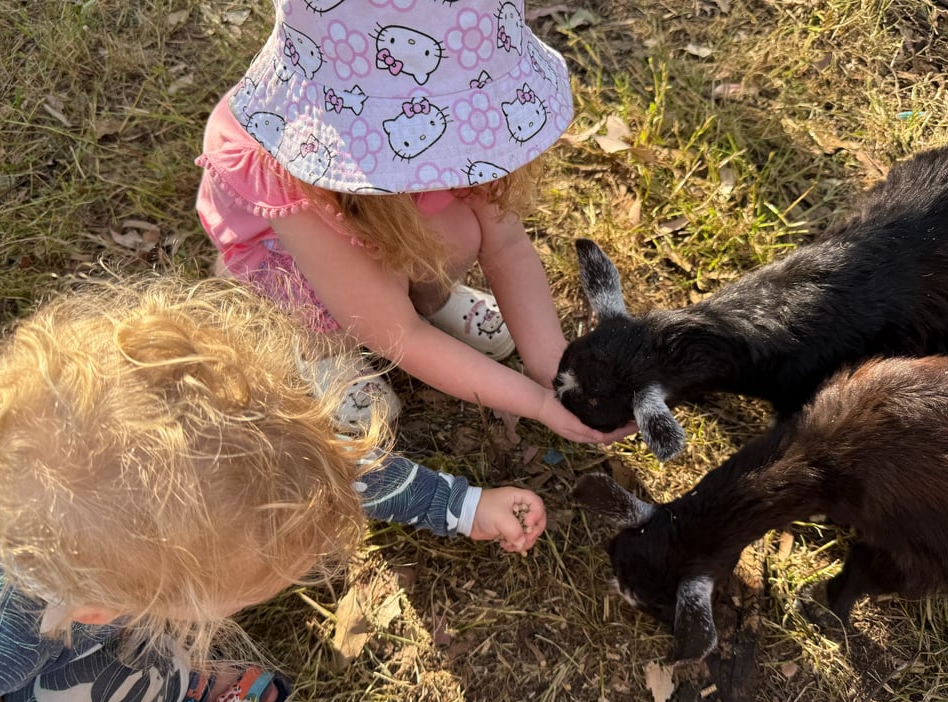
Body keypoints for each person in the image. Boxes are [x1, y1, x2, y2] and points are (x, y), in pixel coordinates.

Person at [0, 276, 547, 702]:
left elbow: (318, 475)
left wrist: (463, 505)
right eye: (236, 598)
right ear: (109, 604)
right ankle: (174, 691)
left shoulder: (229, 460)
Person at [195, 0, 627, 442]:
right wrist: (535, 404)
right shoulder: (292, 166)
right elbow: (396, 334)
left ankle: (430, 300)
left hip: (382, 221)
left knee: (458, 233)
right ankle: (323, 352)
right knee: (318, 300)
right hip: (291, 249)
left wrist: (555, 370)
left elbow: (507, 247)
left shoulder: (467, 135)